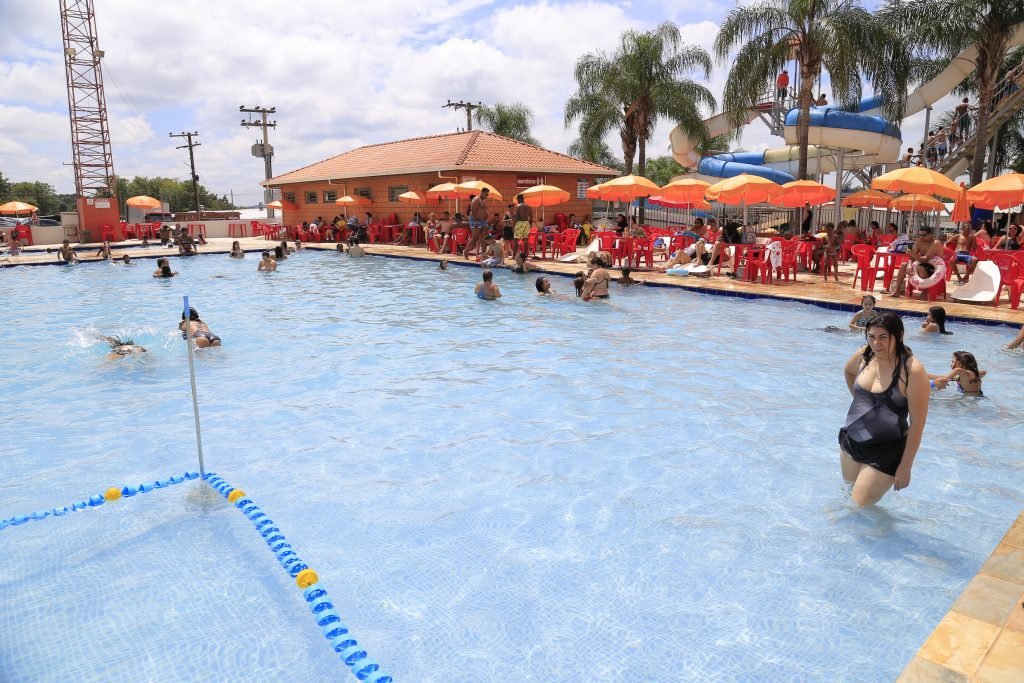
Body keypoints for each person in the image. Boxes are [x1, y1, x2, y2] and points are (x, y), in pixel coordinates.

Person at [839, 312, 929, 506]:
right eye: (871, 336)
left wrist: (905, 466)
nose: (876, 343)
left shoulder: (911, 370)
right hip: (852, 440)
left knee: (858, 507)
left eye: (883, 338)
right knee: (848, 498)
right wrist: (864, 403)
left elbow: (918, 423)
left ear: (899, 336)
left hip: (886, 450)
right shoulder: (865, 354)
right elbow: (848, 371)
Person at [887, 226, 943, 296]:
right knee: (904, 265)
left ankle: (925, 293)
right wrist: (910, 264)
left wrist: (912, 253)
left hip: (934, 265)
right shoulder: (919, 241)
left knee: (921, 268)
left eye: (924, 235)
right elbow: (912, 257)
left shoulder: (935, 243)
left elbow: (925, 259)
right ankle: (897, 291)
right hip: (923, 262)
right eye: (920, 235)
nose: (921, 237)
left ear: (930, 235)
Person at [512, 195, 531, 260]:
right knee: (525, 241)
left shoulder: (518, 206)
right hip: (526, 223)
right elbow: (531, 217)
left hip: (520, 223)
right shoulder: (528, 207)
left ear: (519, 199)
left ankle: (513, 256)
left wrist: (513, 226)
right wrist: (529, 225)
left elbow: (516, 217)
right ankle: (525, 256)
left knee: (516, 240)